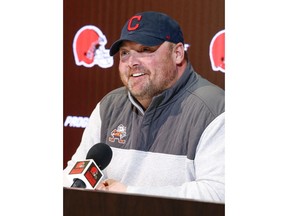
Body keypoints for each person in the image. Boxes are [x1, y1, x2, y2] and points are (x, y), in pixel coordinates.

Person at [63, 11, 225, 203]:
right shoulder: (109, 106)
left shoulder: (215, 109)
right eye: (125, 53)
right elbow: (74, 175)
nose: (132, 62)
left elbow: (219, 193)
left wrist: (129, 194)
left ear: (178, 53)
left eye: (146, 50)